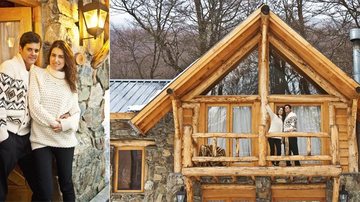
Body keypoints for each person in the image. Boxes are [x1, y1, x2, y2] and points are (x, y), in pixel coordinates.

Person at [28, 40, 80, 201]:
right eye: (53, 55)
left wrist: (64, 125)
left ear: (66, 60)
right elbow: (34, 107)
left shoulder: (71, 82)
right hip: (41, 139)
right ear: (49, 56)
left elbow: (76, 114)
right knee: (45, 189)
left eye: (61, 57)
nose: (56, 60)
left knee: (66, 184)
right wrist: (54, 123)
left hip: (64, 139)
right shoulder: (37, 73)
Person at [0, 31, 41, 201]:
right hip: (9, 136)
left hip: (27, 138)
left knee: (41, 186)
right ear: (20, 48)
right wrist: (3, 136)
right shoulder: (8, 66)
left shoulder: (35, 72)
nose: (33, 54)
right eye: (29, 49)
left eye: (36, 50)